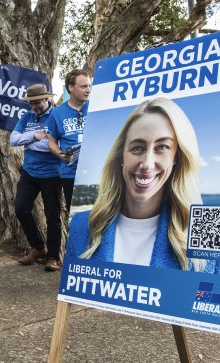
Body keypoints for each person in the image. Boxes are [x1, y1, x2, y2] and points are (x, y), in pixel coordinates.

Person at [67, 98, 215, 272]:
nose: (147, 164)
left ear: (177, 158)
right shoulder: (80, 225)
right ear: (122, 156)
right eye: (137, 148)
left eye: (162, 147)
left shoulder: (207, 230)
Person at [11, 84, 63, 272]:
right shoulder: (27, 117)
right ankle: (39, 248)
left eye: (36, 103)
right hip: (29, 172)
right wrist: (35, 135)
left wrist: (32, 142)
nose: (33, 107)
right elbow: (13, 140)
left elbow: (56, 145)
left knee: (53, 217)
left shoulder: (57, 116)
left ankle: (53, 257)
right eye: (31, 103)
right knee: (21, 209)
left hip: (52, 174)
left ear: (47, 99)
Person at [47, 69, 91, 213]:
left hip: (94, 170)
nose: (88, 90)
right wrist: (60, 154)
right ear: (71, 87)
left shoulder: (95, 107)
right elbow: (51, 141)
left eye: (89, 86)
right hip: (70, 174)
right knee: (77, 216)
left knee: (97, 215)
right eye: (84, 86)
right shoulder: (57, 113)